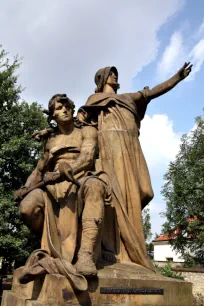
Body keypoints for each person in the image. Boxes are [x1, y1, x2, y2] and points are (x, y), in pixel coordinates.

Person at [77, 62, 192, 271]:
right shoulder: (94, 100)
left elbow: (153, 92)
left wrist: (177, 77)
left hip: (132, 147)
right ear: (101, 79)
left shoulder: (127, 97)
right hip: (111, 148)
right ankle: (113, 249)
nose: (113, 75)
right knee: (117, 194)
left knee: (145, 192)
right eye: (109, 73)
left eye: (115, 73)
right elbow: (81, 123)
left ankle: (128, 242)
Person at [15, 94, 111, 290]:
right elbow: (40, 170)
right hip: (51, 187)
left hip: (81, 178)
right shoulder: (50, 141)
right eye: (59, 108)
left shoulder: (87, 131)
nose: (64, 110)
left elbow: (87, 158)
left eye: (67, 106)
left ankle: (85, 255)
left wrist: (61, 173)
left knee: (95, 186)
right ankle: (50, 248)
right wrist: (25, 188)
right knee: (26, 208)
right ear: (53, 115)